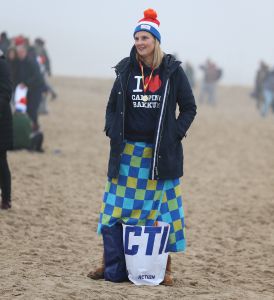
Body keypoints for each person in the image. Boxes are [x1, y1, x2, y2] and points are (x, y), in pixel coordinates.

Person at [87, 8, 197, 285]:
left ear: (155, 40)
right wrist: (112, 131)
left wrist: (174, 134)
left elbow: (189, 107)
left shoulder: (172, 70)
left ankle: (166, 268)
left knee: (161, 211)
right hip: (126, 153)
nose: (139, 42)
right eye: (137, 37)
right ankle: (108, 263)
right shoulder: (125, 68)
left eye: (145, 37)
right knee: (113, 209)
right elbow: (112, 106)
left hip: (159, 155)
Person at [14, 39, 45, 129]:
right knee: (27, 110)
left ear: (25, 52)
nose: (19, 54)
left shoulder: (31, 61)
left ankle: (35, 127)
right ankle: (32, 127)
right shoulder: (19, 62)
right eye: (18, 53)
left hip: (36, 88)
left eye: (21, 52)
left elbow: (37, 77)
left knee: (32, 110)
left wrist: (26, 83)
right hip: (27, 89)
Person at [0, 49, 13, 209]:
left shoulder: (2, 65)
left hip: (2, 121)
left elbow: (6, 93)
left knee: (1, 161)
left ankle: (6, 199)